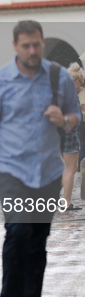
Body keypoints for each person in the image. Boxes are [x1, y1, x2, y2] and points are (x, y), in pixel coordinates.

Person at [0, 21, 81, 297]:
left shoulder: (60, 79)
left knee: (37, 240)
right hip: (11, 171)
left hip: (48, 171)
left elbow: (76, 116)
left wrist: (63, 119)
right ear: (15, 46)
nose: (32, 50)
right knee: (18, 232)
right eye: (26, 46)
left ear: (42, 43)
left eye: (37, 45)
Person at [61, 63, 84, 210]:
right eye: (81, 84)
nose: (81, 87)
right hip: (68, 133)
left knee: (71, 168)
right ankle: (66, 203)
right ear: (76, 81)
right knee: (70, 168)